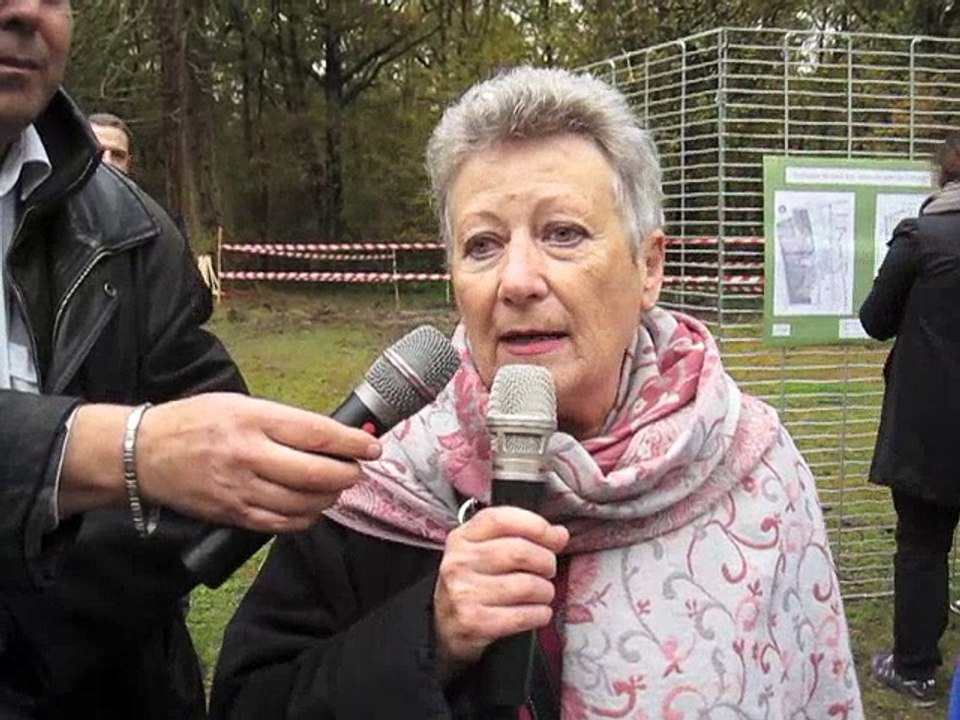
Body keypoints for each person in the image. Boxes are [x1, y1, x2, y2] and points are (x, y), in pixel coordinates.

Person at [210, 66, 864, 719]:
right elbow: (251, 703)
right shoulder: (378, 482)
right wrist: (429, 636)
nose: (517, 281)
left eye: (564, 233)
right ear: (453, 279)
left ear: (649, 267)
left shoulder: (752, 470)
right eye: (484, 244)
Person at [0, 2, 380, 717]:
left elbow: (209, 494)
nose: (23, 9)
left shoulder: (132, 229)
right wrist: (123, 452)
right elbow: (163, 457)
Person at [861, 134, 960, 707]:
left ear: (941, 179)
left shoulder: (921, 237)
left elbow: (875, 319)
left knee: (922, 545)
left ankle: (916, 670)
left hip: (929, 426)